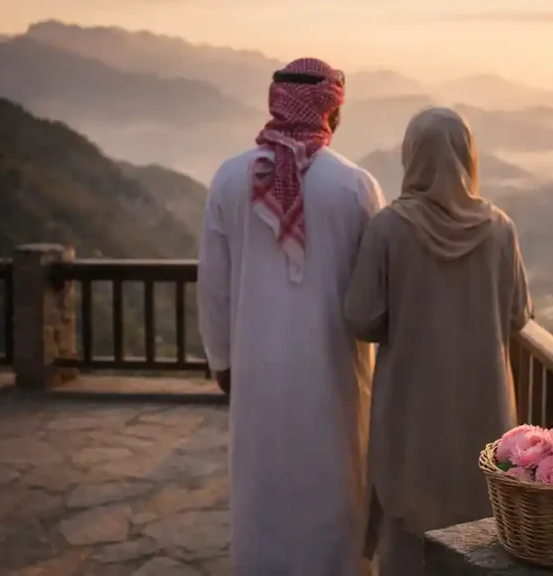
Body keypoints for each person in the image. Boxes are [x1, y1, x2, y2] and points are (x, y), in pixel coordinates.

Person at [197, 58, 385, 575]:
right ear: (332, 112)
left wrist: (222, 360)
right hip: (334, 371)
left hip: (254, 369)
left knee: (262, 484)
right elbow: (376, 289)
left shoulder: (230, 178)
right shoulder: (355, 186)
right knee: (333, 480)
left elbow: (213, 284)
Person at [344, 107, 533, 575]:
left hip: (409, 410)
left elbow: (362, 318)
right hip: (483, 408)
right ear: (469, 157)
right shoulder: (500, 229)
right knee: (481, 534)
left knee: (407, 533)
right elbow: (517, 315)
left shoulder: (389, 228)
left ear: (412, 156)